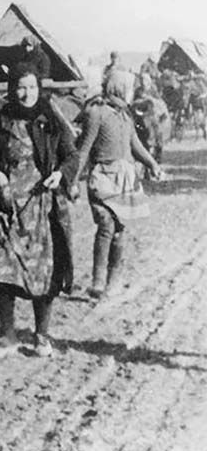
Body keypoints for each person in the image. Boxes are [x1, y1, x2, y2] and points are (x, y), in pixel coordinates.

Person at [0, 62, 80, 361]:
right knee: (0, 267)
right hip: (7, 207)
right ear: (12, 89)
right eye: (21, 87)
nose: (26, 93)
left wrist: (60, 174)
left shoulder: (50, 117)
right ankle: (7, 336)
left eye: (32, 87)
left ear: (39, 88)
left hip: (42, 207)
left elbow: (71, 155)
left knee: (43, 272)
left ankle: (41, 335)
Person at [75, 69, 163, 299]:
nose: (132, 92)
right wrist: (73, 181)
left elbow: (135, 145)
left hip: (124, 179)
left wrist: (152, 163)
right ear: (119, 87)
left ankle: (114, 281)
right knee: (105, 225)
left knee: (120, 231)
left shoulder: (125, 115)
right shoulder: (97, 113)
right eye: (129, 87)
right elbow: (84, 150)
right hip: (102, 176)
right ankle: (97, 281)